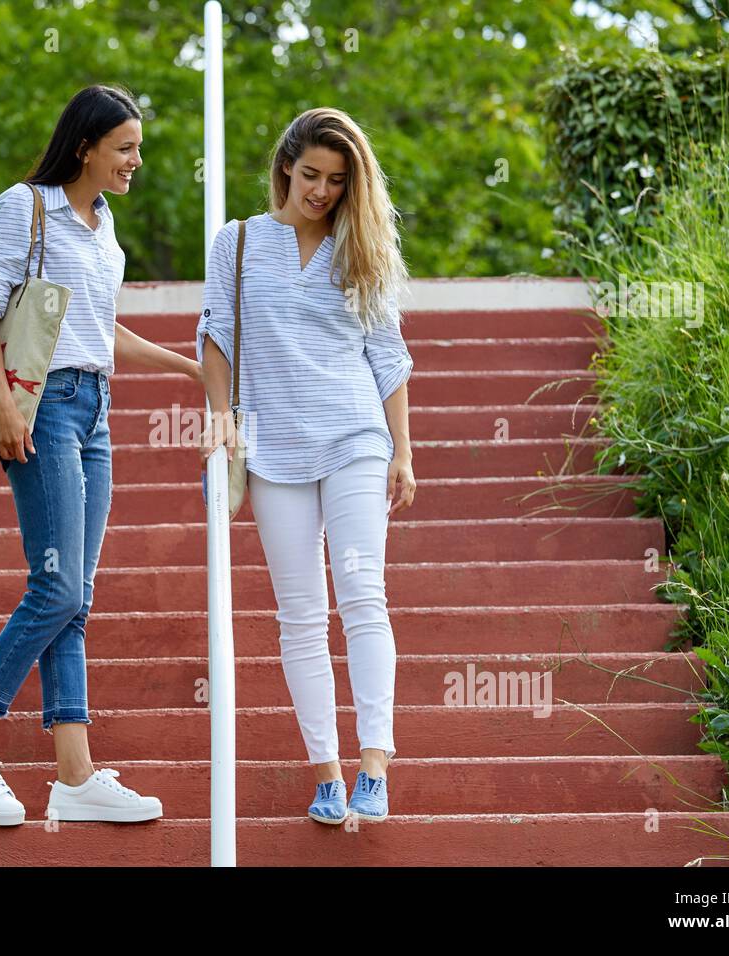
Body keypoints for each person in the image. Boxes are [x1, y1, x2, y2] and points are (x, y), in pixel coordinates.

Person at [0, 85, 201, 826]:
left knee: (75, 598)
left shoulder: (104, 226)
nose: (135, 162)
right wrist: (5, 404)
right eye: (125, 149)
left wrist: (189, 368)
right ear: (85, 146)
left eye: (137, 149)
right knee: (53, 591)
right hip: (40, 408)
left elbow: (102, 332)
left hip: (95, 412)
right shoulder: (26, 207)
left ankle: (75, 777)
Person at [197, 107, 417, 824]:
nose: (321, 191)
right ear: (287, 165)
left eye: (337, 180)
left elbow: (387, 357)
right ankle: (326, 771)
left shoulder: (362, 247)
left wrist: (404, 452)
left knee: (362, 596)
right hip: (273, 449)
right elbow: (216, 337)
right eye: (311, 174)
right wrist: (222, 417)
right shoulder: (236, 243)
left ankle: (374, 766)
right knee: (300, 614)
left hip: (356, 437)